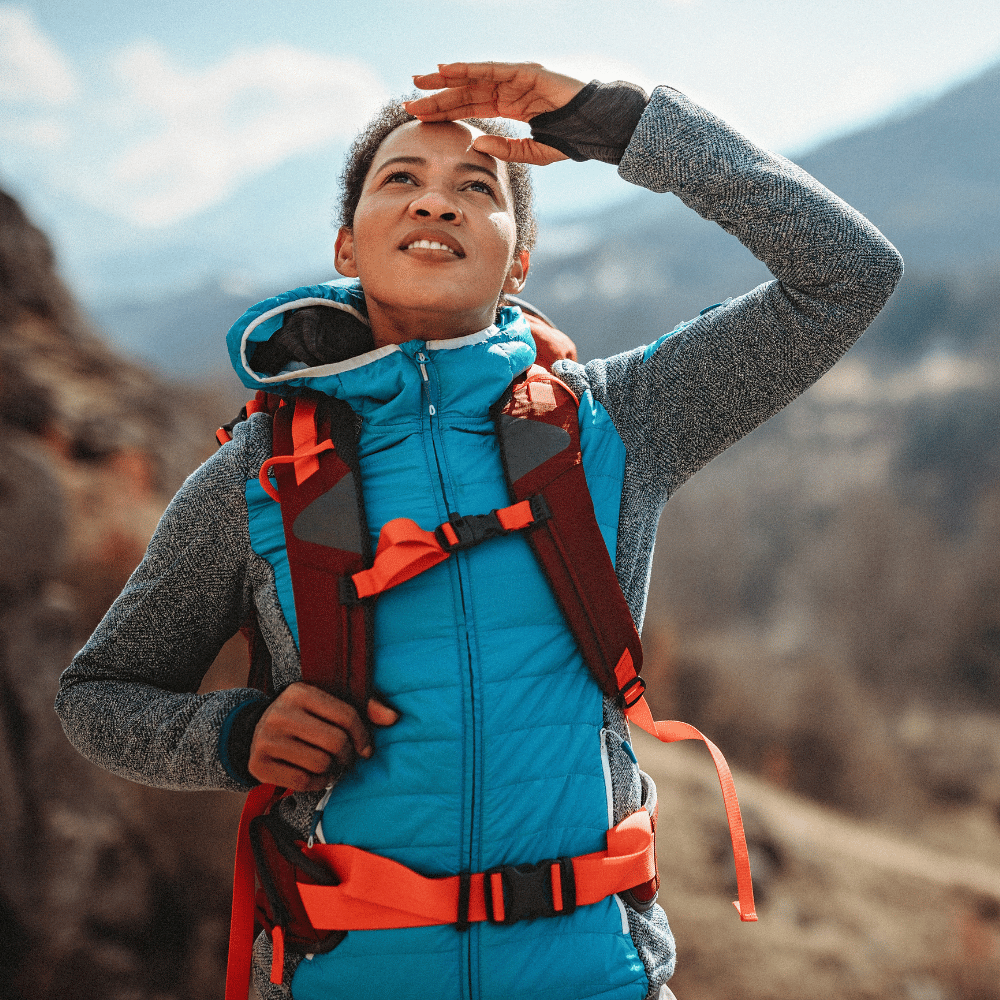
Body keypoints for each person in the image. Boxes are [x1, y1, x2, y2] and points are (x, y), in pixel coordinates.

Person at [55, 61, 903, 1000]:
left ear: (519, 262)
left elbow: (847, 273)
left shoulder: (617, 424)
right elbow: (98, 697)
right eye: (401, 180)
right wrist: (233, 733)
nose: (437, 203)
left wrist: (620, 124)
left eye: (477, 187)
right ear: (347, 245)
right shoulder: (254, 475)